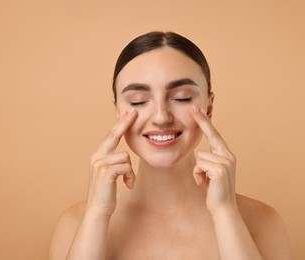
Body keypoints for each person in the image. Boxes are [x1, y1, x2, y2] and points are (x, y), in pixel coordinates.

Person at [49, 31, 291, 260]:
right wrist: (97, 214)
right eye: (138, 100)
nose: (161, 117)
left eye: (182, 98)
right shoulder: (76, 223)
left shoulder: (261, 221)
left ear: (209, 106)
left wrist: (225, 212)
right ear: (118, 110)